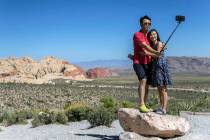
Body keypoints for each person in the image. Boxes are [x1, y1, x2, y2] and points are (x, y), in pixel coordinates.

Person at [132, 15, 160, 113]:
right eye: (145, 23)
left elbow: (153, 46)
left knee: (147, 85)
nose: (147, 25)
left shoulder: (147, 37)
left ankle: (144, 104)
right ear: (141, 24)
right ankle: (141, 104)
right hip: (138, 63)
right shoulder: (137, 35)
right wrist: (156, 53)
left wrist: (162, 46)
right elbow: (144, 48)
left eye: (149, 24)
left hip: (147, 63)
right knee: (143, 80)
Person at [147, 29, 172, 114]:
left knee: (163, 89)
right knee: (159, 89)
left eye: (154, 34)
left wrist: (146, 53)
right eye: (151, 35)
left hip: (160, 67)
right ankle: (161, 107)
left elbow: (157, 55)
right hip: (155, 67)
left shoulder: (159, 43)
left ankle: (164, 109)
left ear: (157, 35)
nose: (153, 36)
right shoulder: (152, 45)